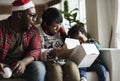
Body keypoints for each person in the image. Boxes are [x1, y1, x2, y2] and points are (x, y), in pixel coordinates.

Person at [0, 0, 46, 81]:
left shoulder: (33, 30)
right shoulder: (1, 28)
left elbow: (36, 50)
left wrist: (23, 62)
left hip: (24, 67)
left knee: (39, 67)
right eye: (32, 15)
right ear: (20, 15)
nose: (35, 19)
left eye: (36, 16)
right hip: (2, 69)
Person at [38, 7, 80, 81]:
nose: (58, 27)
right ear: (46, 24)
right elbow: (36, 51)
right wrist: (52, 52)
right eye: (55, 26)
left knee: (72, 67)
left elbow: (70, 45)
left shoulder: (62, 30)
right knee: (55, 70)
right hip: (49, 60)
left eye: (60, 24)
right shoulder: (37, 31)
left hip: (64, 59)